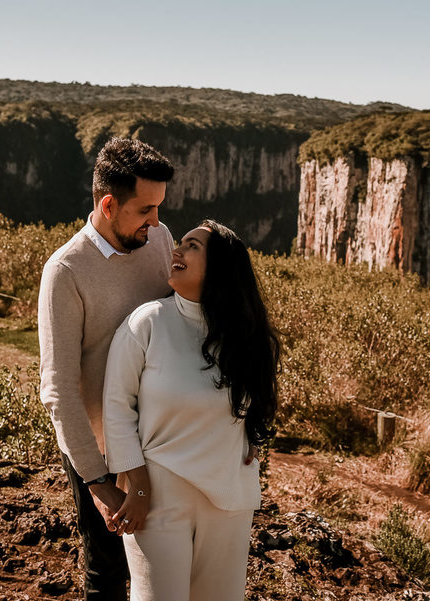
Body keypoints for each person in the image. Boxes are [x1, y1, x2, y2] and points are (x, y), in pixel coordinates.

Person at [103, 220, 281, 601]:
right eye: (180, 243)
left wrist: (248, 439)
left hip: (230, 500)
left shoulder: (245, 339)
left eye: (193, 246)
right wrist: (136, 485)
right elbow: (117, 408)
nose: (177, 251)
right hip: (158, 497)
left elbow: (253, 408)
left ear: (220, 267)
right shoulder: (148, 321)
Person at [38, 138, 176, 600]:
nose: (156, 222)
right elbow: (58, 390)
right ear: (109, 204)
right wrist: (97, 482)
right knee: (109, 572)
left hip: (161, 437)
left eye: (159, 208)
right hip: (102, 448)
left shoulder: (160, 240)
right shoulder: (65, 271)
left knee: (162, 563)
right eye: (145, 210)